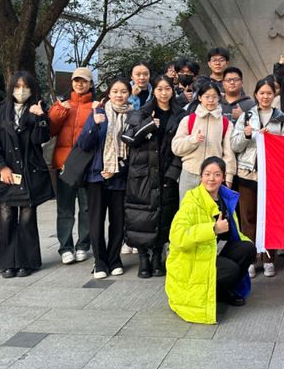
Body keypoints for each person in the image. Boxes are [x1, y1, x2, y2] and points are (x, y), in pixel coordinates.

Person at [166, 156, 256, 323]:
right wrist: (212, 229)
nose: (211, 179)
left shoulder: (225, 199)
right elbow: (177, 236)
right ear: (201, 177)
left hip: (212, 251)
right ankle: (215, 291)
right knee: (230, 269)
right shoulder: (191, 201)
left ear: (223, 178)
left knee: (248, 248)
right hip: (192, 259)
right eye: (207, 174)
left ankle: (222, 291)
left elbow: (234, 233)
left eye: (217, 174)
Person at [0, 72, 52, 278]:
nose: (21, 90)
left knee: (27, 216)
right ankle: (7, 262)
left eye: (25, 86)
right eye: (17, 86)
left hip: (29, 170)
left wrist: (41, 117)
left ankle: (26, 262)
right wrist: (2, 167)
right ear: (11, 88)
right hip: (6, 170)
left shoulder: (37, 108)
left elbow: (40, 139)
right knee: (6, 215)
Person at [121, 75, 184, 278]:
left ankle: (157, 257)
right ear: (153, 91)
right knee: (140, 215)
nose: (164, 93)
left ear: (172, 90)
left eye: (167, 88)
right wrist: (148, 126)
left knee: (163, 214)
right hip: (142, 174)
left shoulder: (180, 115)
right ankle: (143, 258)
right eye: (159, 89)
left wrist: (172, 174)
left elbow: (181, 150)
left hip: (166, 171)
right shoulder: (142, 112)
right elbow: (128, 137)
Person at [231, 78, 284, 278]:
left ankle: (268, 259)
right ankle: (250, 259)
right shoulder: (246, 116)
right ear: (256, 94)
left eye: (269, 93)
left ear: (274, 95)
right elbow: (235, 145)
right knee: (248, 218)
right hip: (247, 174)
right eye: (262, 93)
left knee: (269, 218)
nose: (265, 97)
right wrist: (248, 135)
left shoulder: (282, 118)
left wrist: (273, 140)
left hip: (272, 177)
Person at [76, 79, 133, 278]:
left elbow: (135, 151)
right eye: (115, 91)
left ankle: (114, 259)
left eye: (123, 91)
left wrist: (117, 170)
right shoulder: (98, 113)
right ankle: (99, 261)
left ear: (129, 94)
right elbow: (84, 144)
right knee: (96, 220)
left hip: (120, 177)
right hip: (96, 176)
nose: (119, 95)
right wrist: (94, 124)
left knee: (118, 221)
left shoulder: (133, 116)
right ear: (109, 94)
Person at [49, 66, 95, 265]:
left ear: (90, 84)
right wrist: (60, 111)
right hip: (64, 164)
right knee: (64, 208)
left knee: (87, 208)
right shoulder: (61, 105)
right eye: (76, 80)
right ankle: (65, 247)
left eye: (84, 81)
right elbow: (50, 130)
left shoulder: (95, 106)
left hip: (86, 165)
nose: (80, 84)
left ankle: (83, 245)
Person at [172, 82, 236, 201]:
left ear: (219, 98)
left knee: (211, 211)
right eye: (207, 96)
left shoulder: (226, 123)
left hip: (213, 177)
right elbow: (176, 148)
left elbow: (229, 153)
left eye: (214, 97)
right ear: (200, 97)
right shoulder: (188, 120)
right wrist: (193, 140)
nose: (211, 100)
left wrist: (229, 176)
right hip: (190, 173)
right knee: (188, 209)